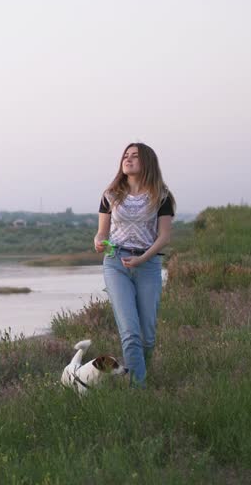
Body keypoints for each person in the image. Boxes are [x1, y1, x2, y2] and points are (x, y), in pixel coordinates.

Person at [93, 142, 175, 388]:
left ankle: (142, 373)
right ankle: (138, 392)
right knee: (130, 333)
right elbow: (101, 233)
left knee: (147, 337)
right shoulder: (111, 194)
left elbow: (164, 237)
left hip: (147, 265)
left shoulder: (161, 196)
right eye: (125, 156)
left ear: (147, 162)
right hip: (115, 263)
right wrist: (98, 242)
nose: (128, 159)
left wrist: (142, 259)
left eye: (135, 156)